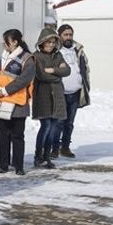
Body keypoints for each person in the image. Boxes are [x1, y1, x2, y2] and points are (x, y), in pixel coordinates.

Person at [0, 29, 35, 175]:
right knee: (3, 135)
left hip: (17, 104)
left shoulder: (27, 59)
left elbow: (24, 80)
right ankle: (3, 164)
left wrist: (6, 90)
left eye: (6, 41)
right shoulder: (3, 57)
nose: (4, 44)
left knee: (17, 136)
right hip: (1, 103)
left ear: (15, 42)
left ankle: (18, 166)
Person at [31, 27, 71, 170]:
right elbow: (42, 75)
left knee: (53, 128)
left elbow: (67, 70)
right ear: (42, 42)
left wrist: (53, 70)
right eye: (48, 42)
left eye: (53, 42)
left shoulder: (57, 55)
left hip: (57, 95)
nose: (51, 45)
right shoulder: (36, 56)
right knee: (46, 126)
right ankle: (38, 156)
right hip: (43, 96)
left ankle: (47, 156)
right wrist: (57, 75)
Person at [55, 24, 90, 158]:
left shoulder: (77, 50)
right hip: (60, 92)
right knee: (58, 122)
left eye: (70, 34)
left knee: (69, 123)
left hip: (75, 92)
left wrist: (86, 85)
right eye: (65, 35)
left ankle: (65, 147)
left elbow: (85, 68)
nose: (68, 37)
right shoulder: (56, 50)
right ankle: (54, 148)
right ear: (59, 36)